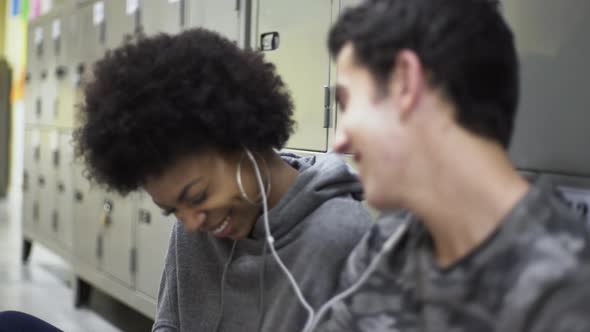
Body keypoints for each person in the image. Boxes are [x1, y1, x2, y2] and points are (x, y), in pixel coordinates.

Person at [308, 0, 590, 331]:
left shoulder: (566, 289)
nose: (338, 141)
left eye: (346, 101)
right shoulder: (386, 247)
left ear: (404, 82)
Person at [73, 28, 371, 332]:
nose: (191, 222)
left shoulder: (340, 236)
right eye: (172, 210)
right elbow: (169, 326)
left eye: (198, 196)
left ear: (244, 140)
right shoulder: (195, 226)